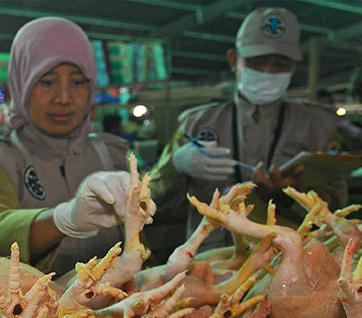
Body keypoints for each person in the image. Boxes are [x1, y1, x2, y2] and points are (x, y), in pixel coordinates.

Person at [147, 6, 346, 259]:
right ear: (233, 60)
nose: (268, 72)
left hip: (292, 257)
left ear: (295, 65)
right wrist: (175, 165)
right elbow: (154, 199)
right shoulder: (195, 124)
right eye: (257, 62)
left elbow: (339, 205)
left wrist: (291, 195)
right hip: (213, 258)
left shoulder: (318, 126)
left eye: (280, 64)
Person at [0, 17, 134, 276]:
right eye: (47, 81)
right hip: (32, 315)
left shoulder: (112, 154)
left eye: (77, 82)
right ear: (21, 84)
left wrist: (174, 166)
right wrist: (63, 219)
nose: (63, 98)